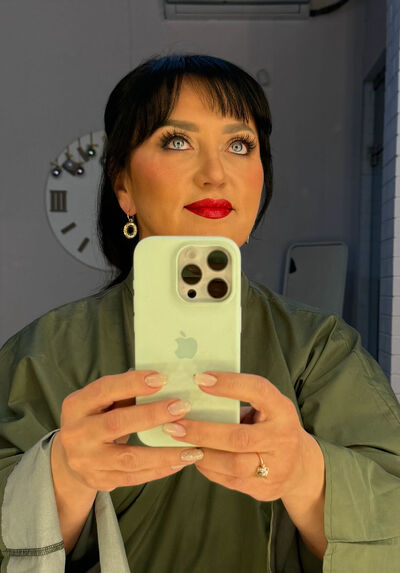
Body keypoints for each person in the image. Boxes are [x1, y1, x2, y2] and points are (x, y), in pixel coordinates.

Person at [0, 53, 399, 573]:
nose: (215, 174)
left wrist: (306, 474)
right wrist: (60, 478)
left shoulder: (320, 348)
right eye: (176, 141)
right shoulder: (43, 353)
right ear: (123, 186)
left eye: (240, 145)